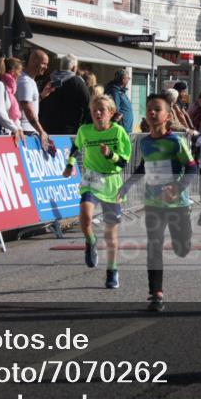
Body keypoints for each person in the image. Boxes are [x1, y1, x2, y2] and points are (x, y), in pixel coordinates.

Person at [119, 94, 197, 312]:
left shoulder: (176, 142)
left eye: (157, 110)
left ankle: (185, 236)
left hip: (177, 204)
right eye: (149, 109)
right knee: (154, 246)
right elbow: (144, 167)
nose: (152, 113)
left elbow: (192, 168)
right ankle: (156, 294)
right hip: (153, 203)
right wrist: (126, 186)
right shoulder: (144, 142)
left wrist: (177, 187)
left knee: (181, 249)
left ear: (167, 116)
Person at [63, 95, 131, 288]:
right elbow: (76, 148)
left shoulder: (118, 133)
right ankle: (91, 241)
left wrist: (110, 154)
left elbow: (124, 162)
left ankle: (112, 271)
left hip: (111, 181)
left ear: (111, 113)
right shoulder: (85, 130)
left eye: (102, 110)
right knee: (85, 218)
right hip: (91, 179)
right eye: (94, 111)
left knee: (111, 235)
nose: (98, 113)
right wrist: (69, 165)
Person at [39, 54, 92, 135]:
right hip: (69, 131)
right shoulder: (78, 82)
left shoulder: (48, 80)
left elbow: (40, 103)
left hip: (46, 128)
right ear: (74, 68)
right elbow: (88, 106)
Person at [17, 50, 53, 148]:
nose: (46, 67)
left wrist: (42, 96)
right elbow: (27, 109)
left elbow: (28, 104)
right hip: (25, 131)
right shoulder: (25, 82)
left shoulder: (30, 80)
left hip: (28, 130)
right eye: (44, 64)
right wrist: (41, 131)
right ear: (34, 61)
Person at [104, 69, 134, 134]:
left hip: (125, 129)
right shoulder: (115, 92)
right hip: (121, 130)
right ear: (123, 79)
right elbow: (115, 110)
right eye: (128, 78)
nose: (129, 80)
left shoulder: (120, 91)